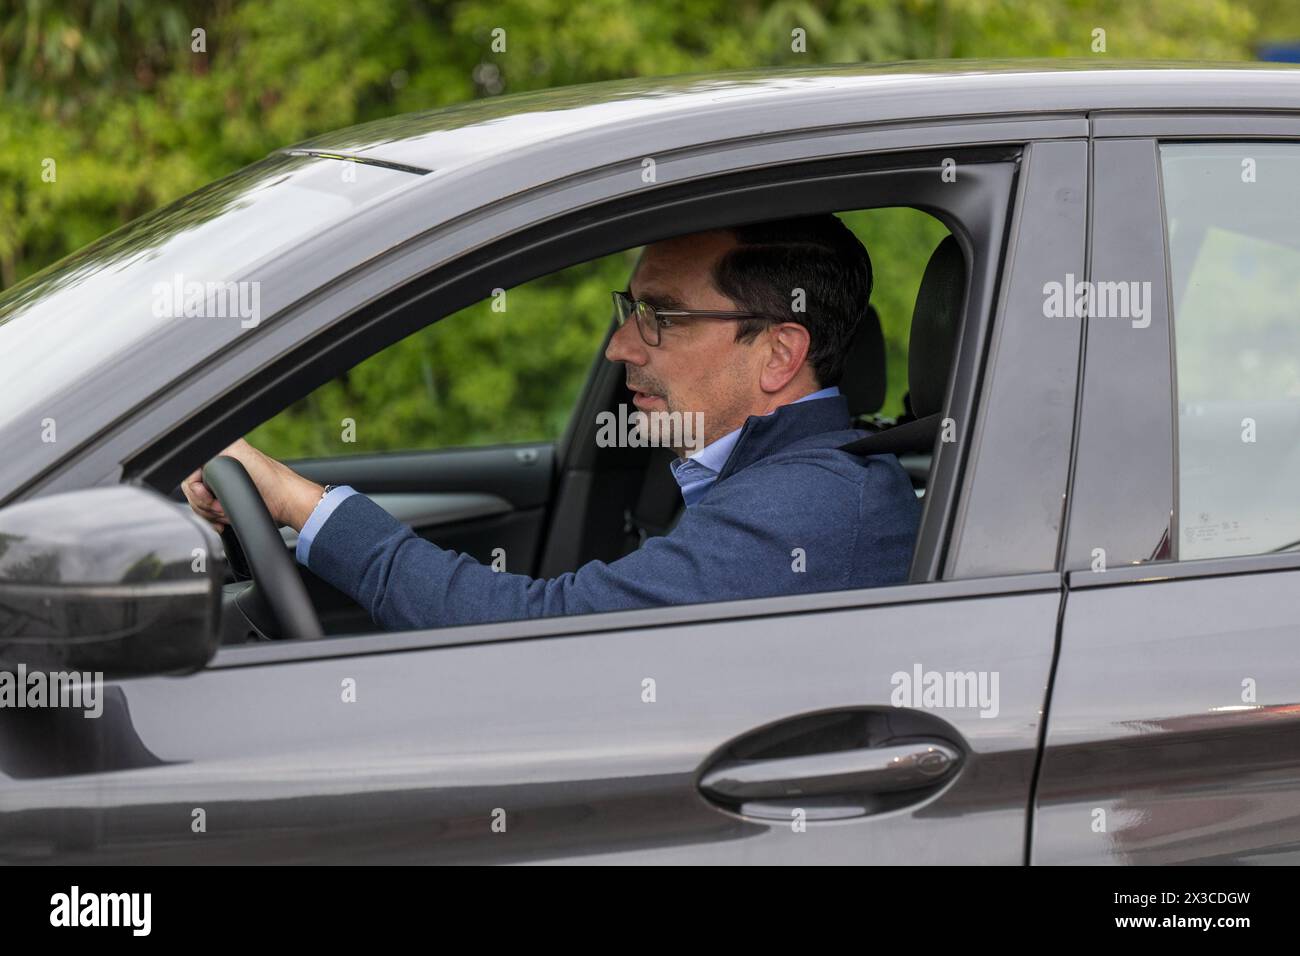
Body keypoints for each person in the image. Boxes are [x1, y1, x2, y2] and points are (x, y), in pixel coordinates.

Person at [184, 215, 921, 631]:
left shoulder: (809, 507)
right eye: (629, 311)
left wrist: (292, 500)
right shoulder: (779, 475)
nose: (620, 346)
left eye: (659, 317)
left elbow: (543, 632)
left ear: (778, 354)